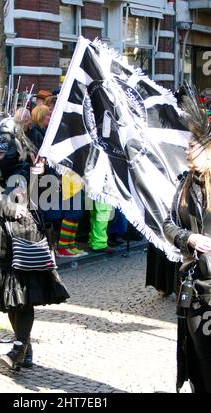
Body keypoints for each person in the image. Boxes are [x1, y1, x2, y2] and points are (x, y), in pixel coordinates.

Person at [0, 119, 69, 371]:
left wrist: (38, 176)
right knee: (11, 301)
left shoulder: (27, 170)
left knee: (23, 300)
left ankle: (18, 348)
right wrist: (6, 207)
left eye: (4, 143)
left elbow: (38, 201)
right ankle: (25, 346)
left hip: (26, 240)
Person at [163, 90, 211, 393]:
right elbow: (168, 223)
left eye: (194, 147)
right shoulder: (183, 183)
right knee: (197, 354)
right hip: (194, 285)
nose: (188, 150)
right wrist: (188, 237)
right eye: (187, 146)